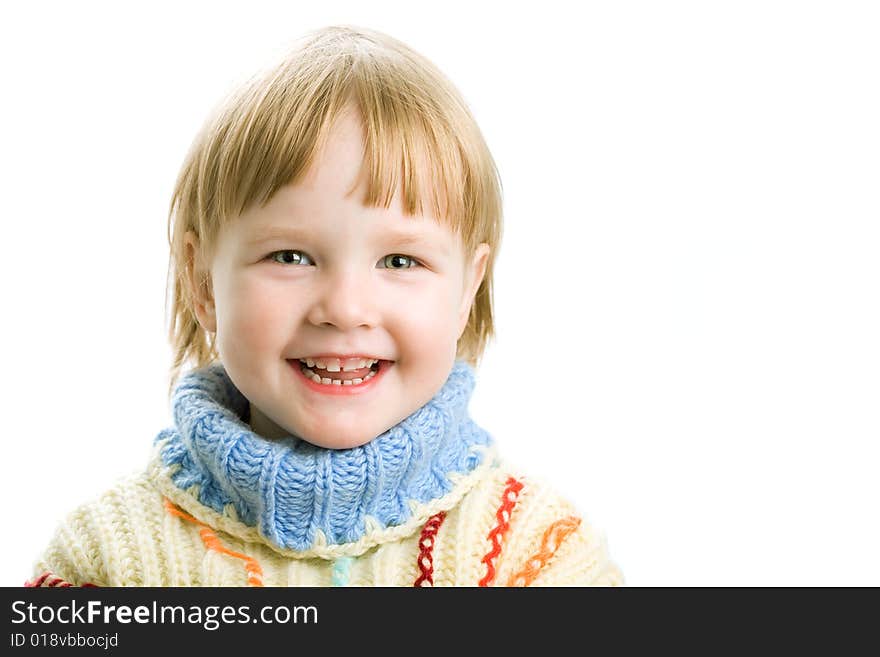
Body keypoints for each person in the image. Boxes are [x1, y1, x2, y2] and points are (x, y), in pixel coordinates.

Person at [26, 25, 622, 587]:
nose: (344, 308)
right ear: (202, 281)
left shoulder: (537, 556)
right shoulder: (105, 560)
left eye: (399, 262)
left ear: (469, 288)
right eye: (290, 256)